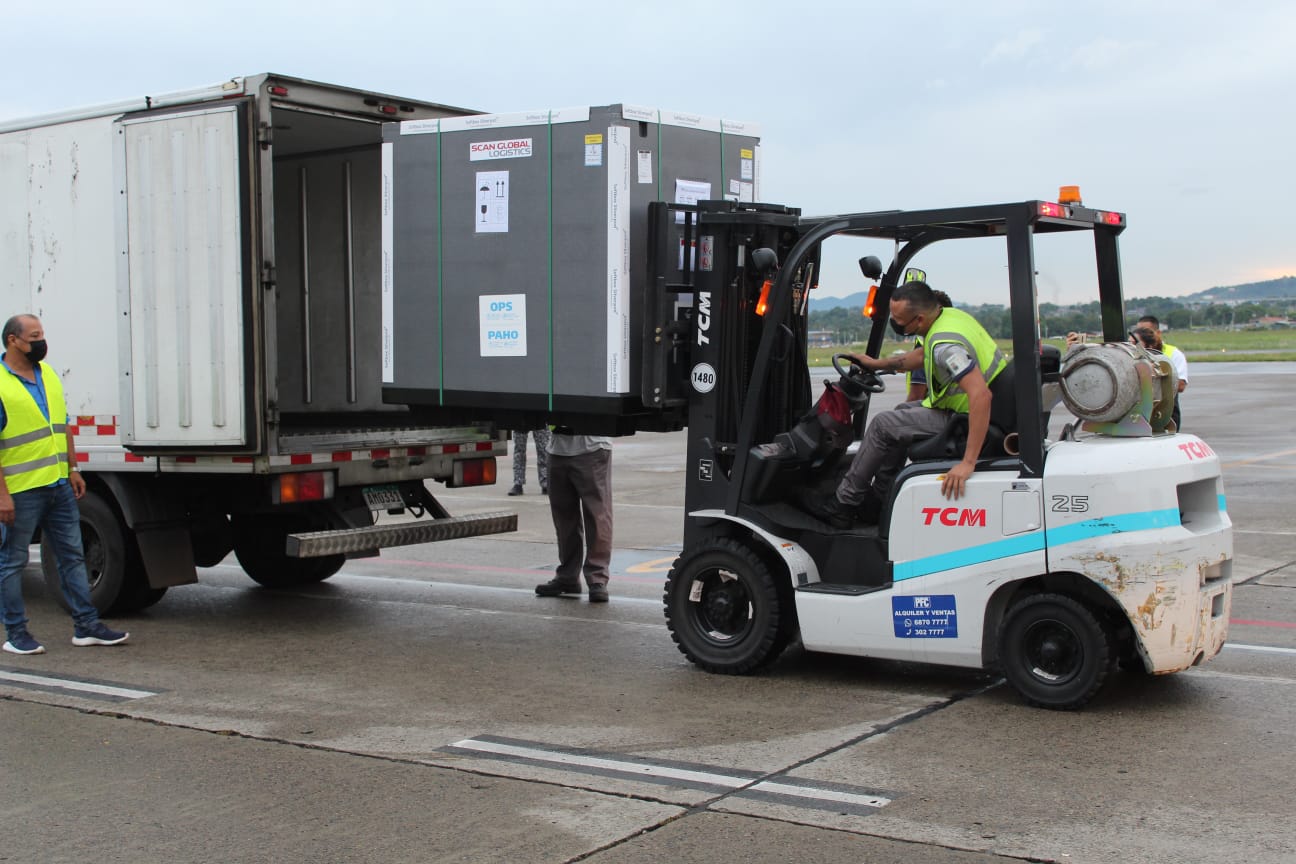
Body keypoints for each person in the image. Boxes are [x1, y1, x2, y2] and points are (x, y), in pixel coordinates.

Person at [802, 282, 1007, 529]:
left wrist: (967, 463)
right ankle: (879, 498)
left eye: (899, 321)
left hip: (965, 418)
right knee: (901, 414)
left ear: (919, 319)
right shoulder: (949, 318)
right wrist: (875, 364)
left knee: (882, 424)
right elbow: (920, 356)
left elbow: (981, 396)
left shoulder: (946, 347)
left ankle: (843, 504)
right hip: (965, 409)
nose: (896, 324)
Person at [0, 314, 129, 655]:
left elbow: (62, 426)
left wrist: (73, 468)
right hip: (21, 490)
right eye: (34, 336)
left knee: (72, 556)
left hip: (58, 485)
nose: (41, 342)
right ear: (13, 340)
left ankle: (86, 626)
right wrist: (2, 496)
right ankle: (16, 634)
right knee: (12, 563)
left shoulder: (48, 374)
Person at [535, 431, 613, 602]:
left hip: (591, 447)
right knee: (564, 518)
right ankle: (568, 576)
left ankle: (597, 578)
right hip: (557, 449)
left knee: (597, 517)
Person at [1137, 315, 1188, 428]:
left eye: (1146, 331)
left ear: (1158, 333)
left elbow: (1181, 385)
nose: (1140, 334)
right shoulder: (1134, 354)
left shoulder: (1173, 354)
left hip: (1165, 412)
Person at [508, 426, 550, 496]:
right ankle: (518, 483)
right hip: (521, 420)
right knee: (519, 451)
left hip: (540, 420)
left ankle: (546, 483)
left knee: (543, 450)